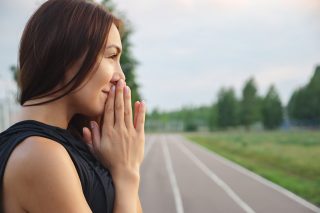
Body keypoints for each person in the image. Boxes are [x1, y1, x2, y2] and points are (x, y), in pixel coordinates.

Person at [0, 0, 145, 212]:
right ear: (66, 55)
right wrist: (127, 173)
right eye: (112, 56)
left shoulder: (61, 145)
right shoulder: (40, 155)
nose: (120, 76)